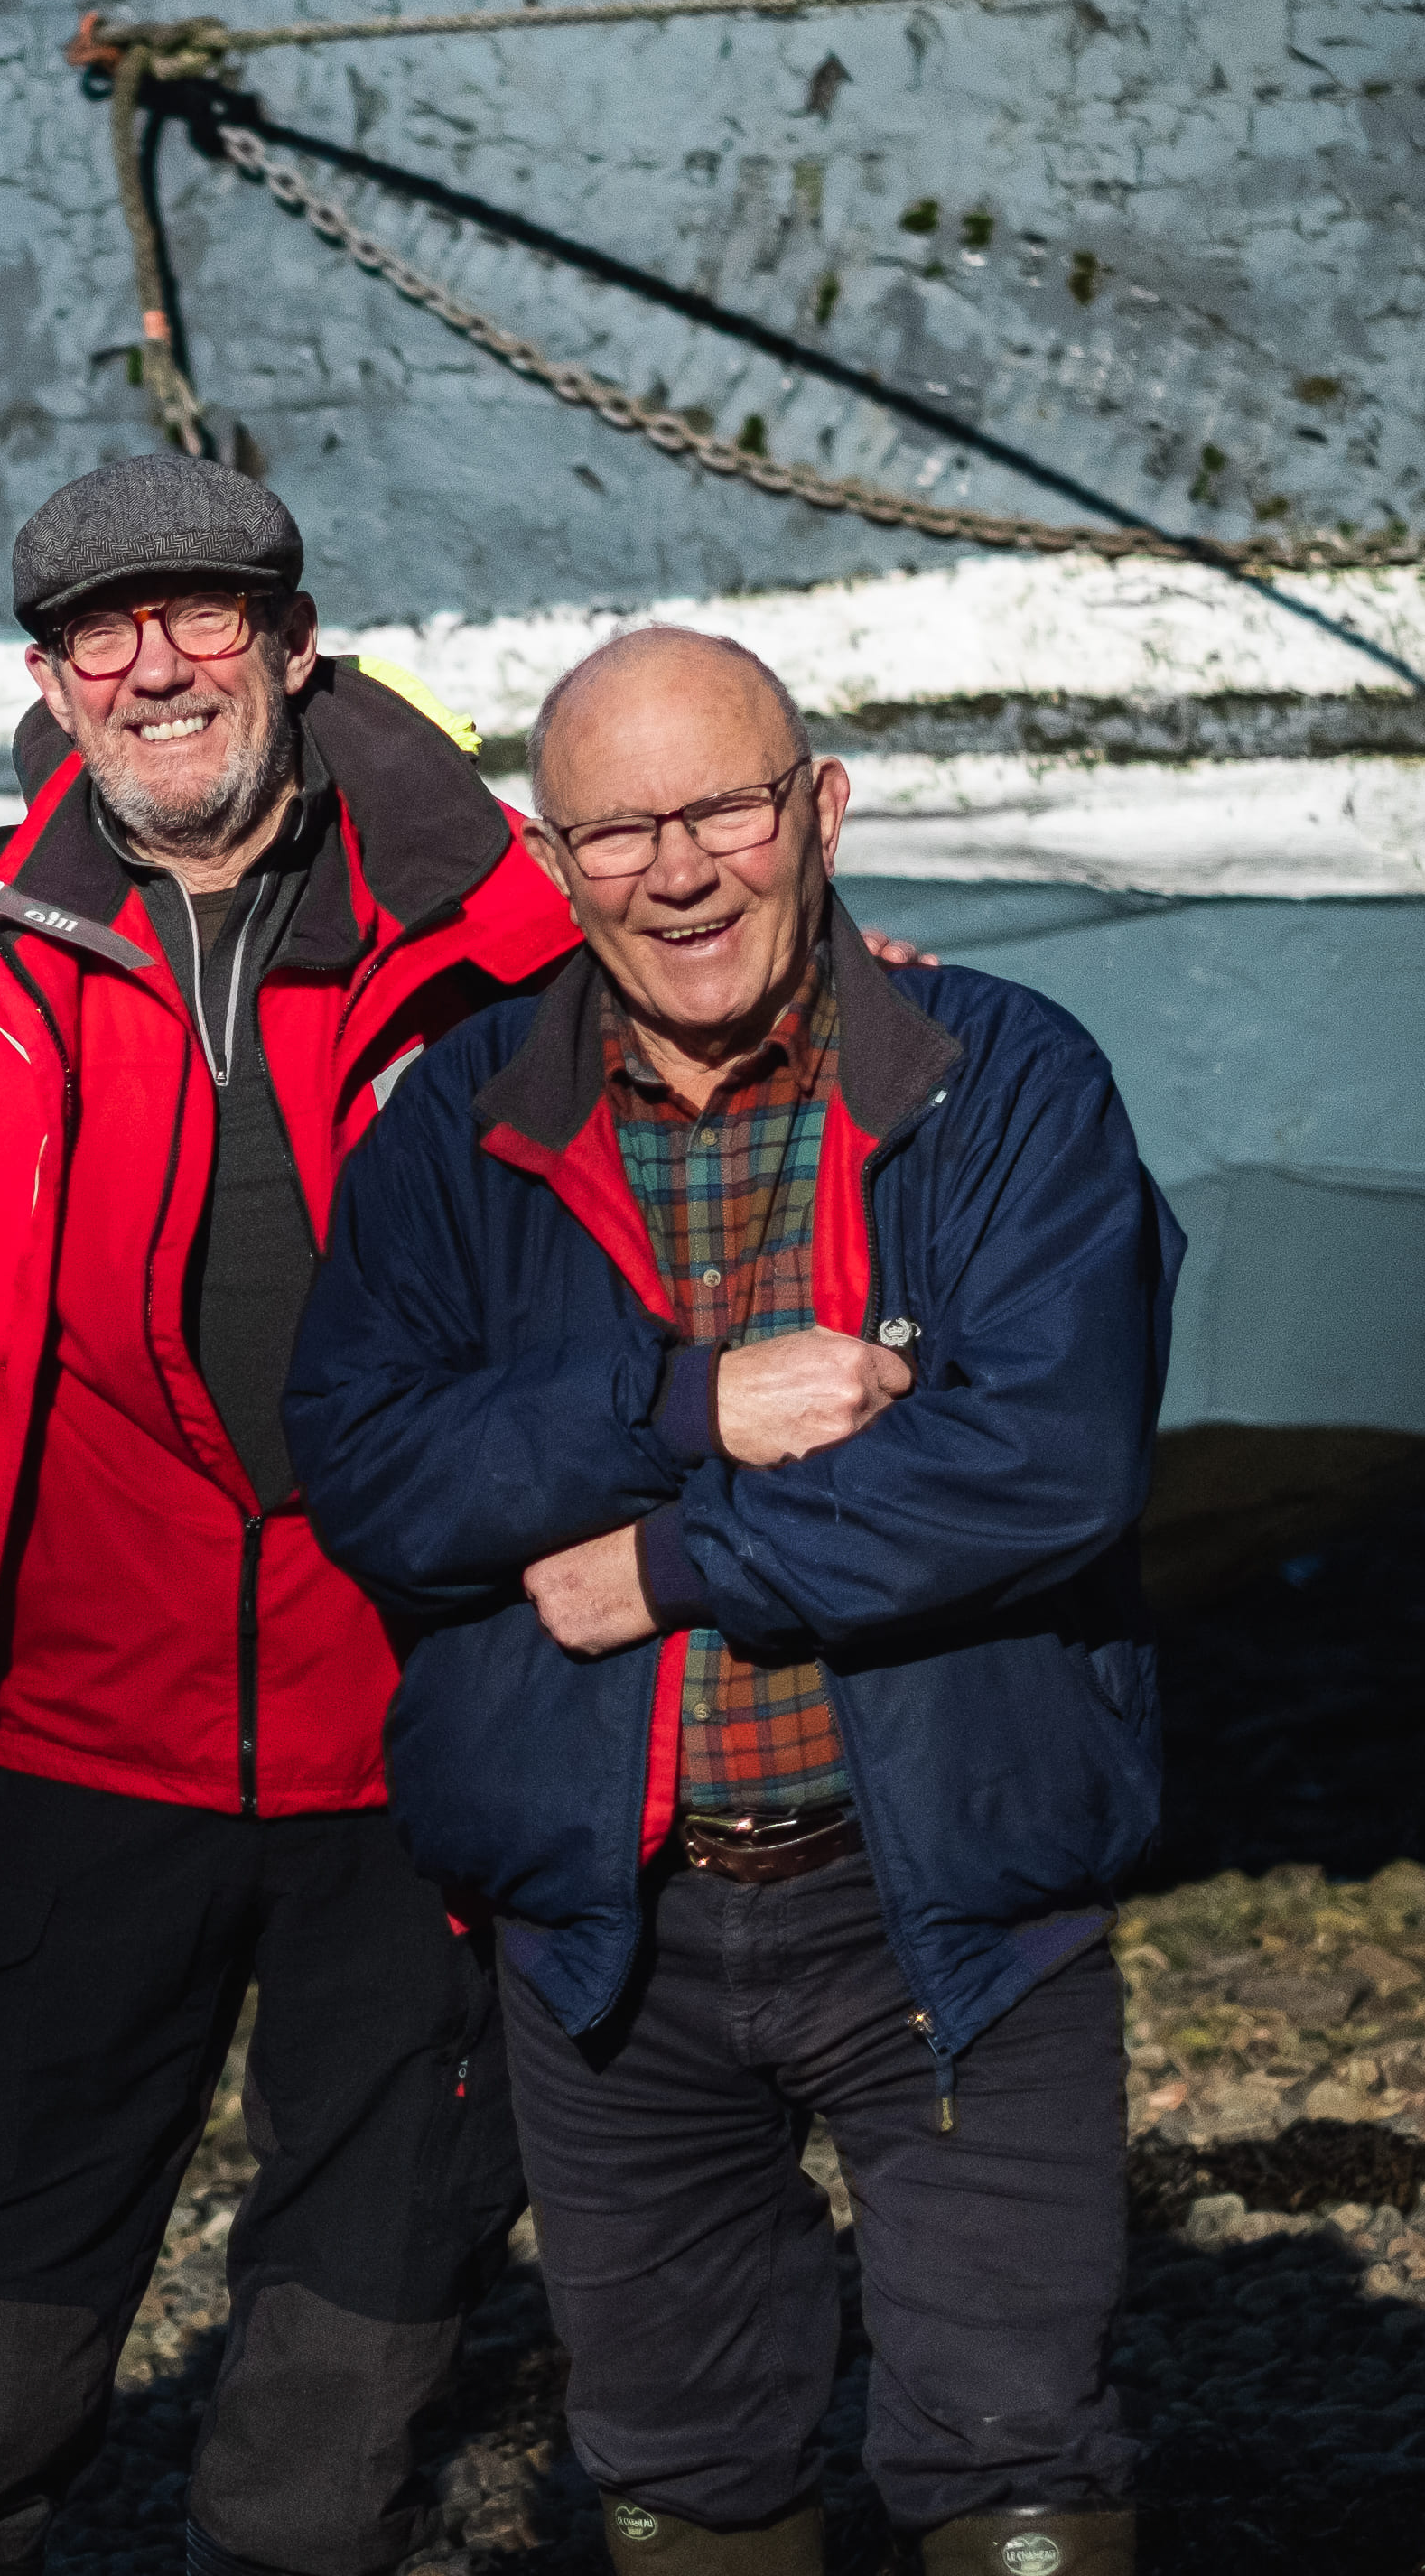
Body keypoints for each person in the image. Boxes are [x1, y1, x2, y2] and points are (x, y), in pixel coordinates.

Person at [278, 626, 1178, 2576]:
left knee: (1022, 2443)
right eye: (617, 830)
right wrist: (684, 1405)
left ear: (820, 809)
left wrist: (674, 1559)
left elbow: (1048, 1459)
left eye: (723, 809)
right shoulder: (456, 1125)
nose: (678, 870)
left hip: (951, 1888)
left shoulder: (1004, 1079)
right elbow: (365, 1463)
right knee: (680, 2461)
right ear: (553, 852)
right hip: (615, 1931)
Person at [0, 454, 587, 2576]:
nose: (155, 660)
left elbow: (726, 1050)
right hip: (83, 1745)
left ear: (294, 639)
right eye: (101, 627)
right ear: (54, 681)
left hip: (404, 1743)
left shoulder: (505, 935)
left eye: (201, 611)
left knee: (334, 2434)